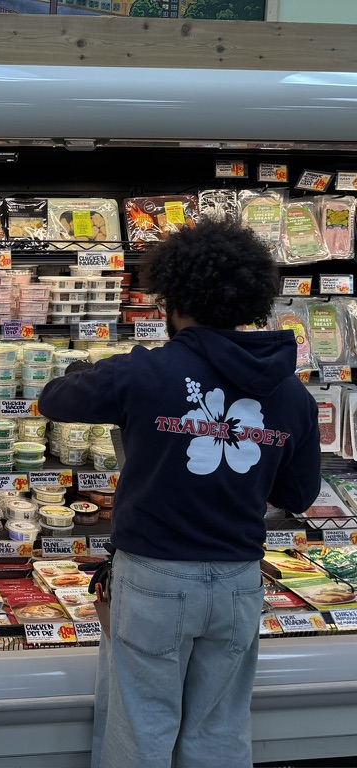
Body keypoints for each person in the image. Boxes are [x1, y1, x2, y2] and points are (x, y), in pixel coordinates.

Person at [37, 219, 321, 768]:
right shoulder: (292, 395)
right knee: (220, 730)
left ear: (173, 298)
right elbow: (301, 493)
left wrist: (77, 366)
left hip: (156, 579)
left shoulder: (145, 372)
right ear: (250, 298)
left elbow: (56, 400)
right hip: (239, 581)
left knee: (142, 726)